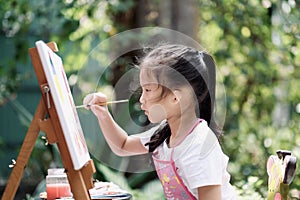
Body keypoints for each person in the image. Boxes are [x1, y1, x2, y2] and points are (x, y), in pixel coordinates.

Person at [83, 44, 236, 199]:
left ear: (175, 97)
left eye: (148, 90)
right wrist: (103, 114)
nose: (141, 99)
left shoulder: (200, 145)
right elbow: (122, 146)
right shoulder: (165, 132)